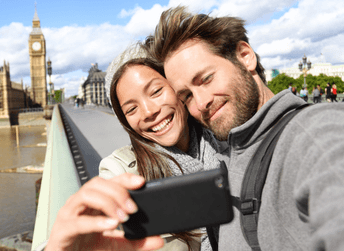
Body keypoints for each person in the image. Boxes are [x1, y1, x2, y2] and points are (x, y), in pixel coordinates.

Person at [146, 6, 344, 250]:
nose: (201, 103)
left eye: (206, 79)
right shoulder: (227, 154)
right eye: (186, 96)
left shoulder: (315, 133)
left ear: (244, 56)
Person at [43, 45, 221, 251]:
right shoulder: (120, 173)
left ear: (176, 87)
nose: (148, 112)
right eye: (131, 108)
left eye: (155, 91)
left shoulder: (227, 140)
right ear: (125, 121)